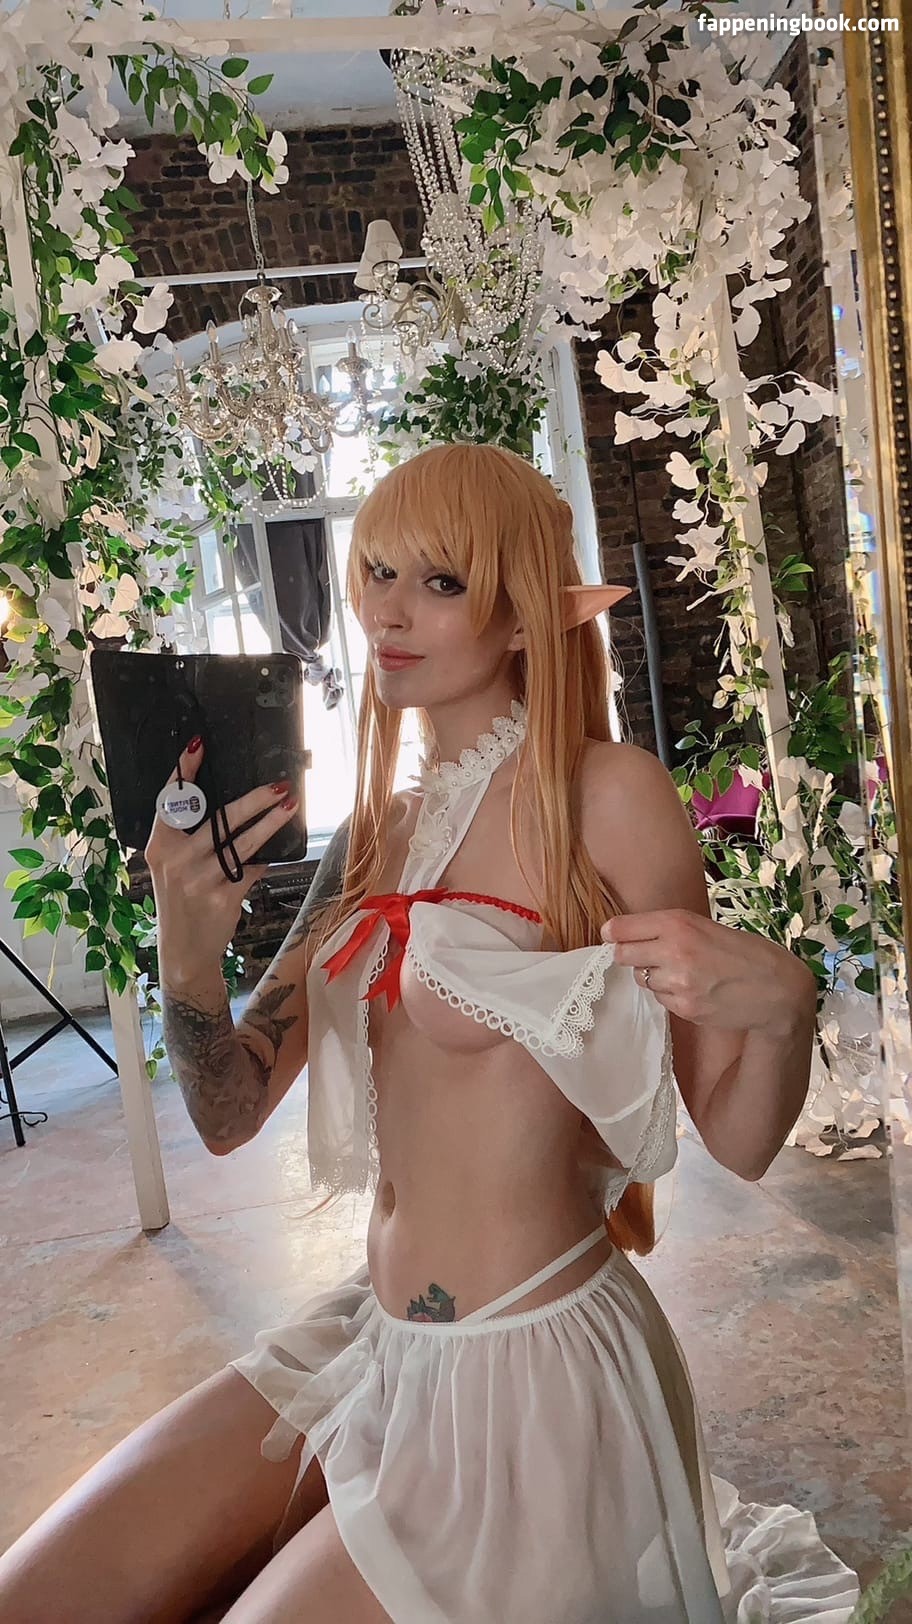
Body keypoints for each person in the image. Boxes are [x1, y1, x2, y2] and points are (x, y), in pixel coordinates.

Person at [0, 444, 860, 1623]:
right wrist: (186, 954)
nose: (389, 612)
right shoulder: (378, 835)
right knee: (33, 1594)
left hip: (526, 1372)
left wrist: (784, 1008)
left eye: (442, 582)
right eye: (379, 573)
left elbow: (742, 1141)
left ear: (522, 614)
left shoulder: (607, 797)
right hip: (366, 1337)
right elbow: (229, 1110)